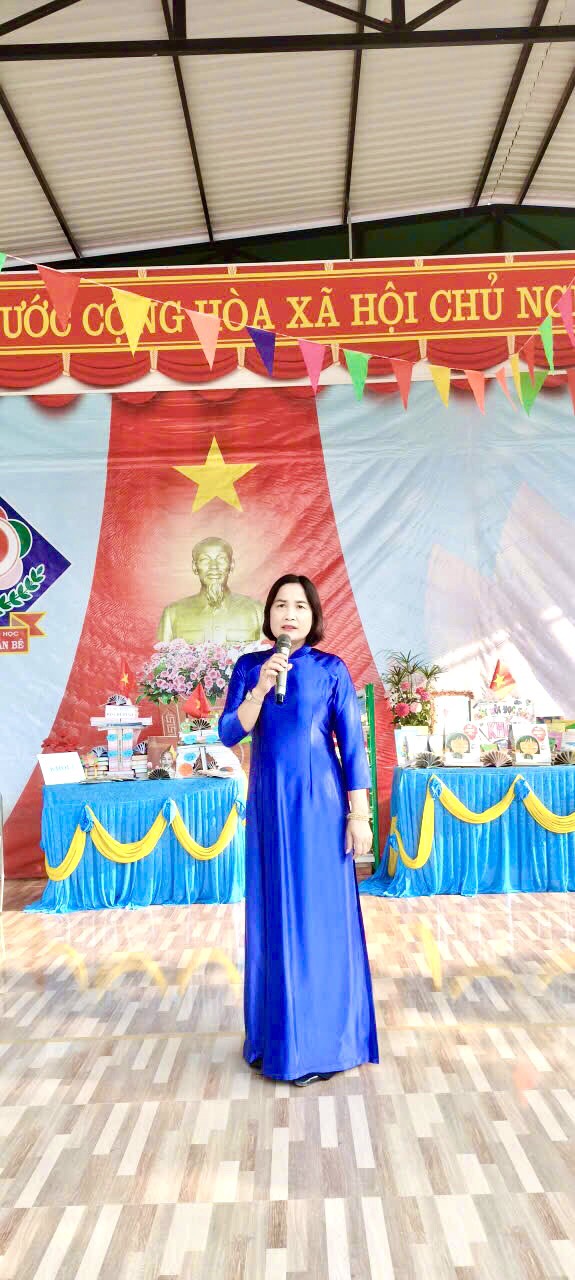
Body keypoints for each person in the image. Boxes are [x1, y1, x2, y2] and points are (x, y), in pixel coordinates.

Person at [218, 574, 379, 1085]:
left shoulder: (332, 669)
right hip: (269, 802)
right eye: (281, 605)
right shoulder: (250, 668)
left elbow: (353, 747)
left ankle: (327, 1040)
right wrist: (260, 688)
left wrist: (359, 816)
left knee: (320, 915)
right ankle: (278, 1039)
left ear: (313, 617)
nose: (290, 613)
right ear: (268, 615)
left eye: (300, 606)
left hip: (320, 804)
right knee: (276, 913)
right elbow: (229, 732)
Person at [157, 535, 264, 644]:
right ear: (194, 567)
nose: (214, 566)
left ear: (231, 565)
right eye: (205, 560)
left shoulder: (257, 611)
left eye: (221, 559)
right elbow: (163, 653)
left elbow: (268, 652)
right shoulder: (173, 613)